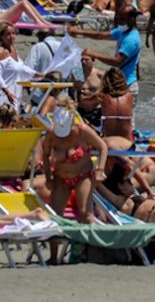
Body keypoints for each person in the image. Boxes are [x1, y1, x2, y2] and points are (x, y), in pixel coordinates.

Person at [41, 97, 108, 227]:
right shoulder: (51, 133)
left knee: (85, 214)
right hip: (61, 177)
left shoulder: (83, 131)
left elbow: (102, 147)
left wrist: (100, 170)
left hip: (82, 176)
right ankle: (54, 247)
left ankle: (95, 243)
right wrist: (48, 177)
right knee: (55, 217)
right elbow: (46, 154)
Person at [67, 10, 141, 111]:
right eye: (118, 19)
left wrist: (94, 54)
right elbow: (99, 35)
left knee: (124, 119)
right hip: (118, 83)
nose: (119, 22)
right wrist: (77, 32)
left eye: (122, 19)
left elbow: (117, 61)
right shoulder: (77, 72)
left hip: (127, 84)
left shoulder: (131, 40)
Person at [0, 22, 44, 109]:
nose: (12, 36)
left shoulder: (13, 50)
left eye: (13, 33)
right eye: (8, 34)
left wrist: (41, 75)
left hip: (14, 96)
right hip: (4, 97)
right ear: (1, 36)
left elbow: (22, 69)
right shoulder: (1, 52)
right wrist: (6, 91)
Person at [99, 68, 134, 140]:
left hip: (108, 139)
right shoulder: (130, 97)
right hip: (127, 140)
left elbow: (85, 104)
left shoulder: (102, 97)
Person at [76, 53, 104, 129]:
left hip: (96, 110)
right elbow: (73, 91)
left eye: (86, 60)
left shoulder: (99, 75)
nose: (83, 62)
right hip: (82, 109)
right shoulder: (77, 75)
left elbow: (106, 92)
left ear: (93, 60)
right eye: (82, 60)